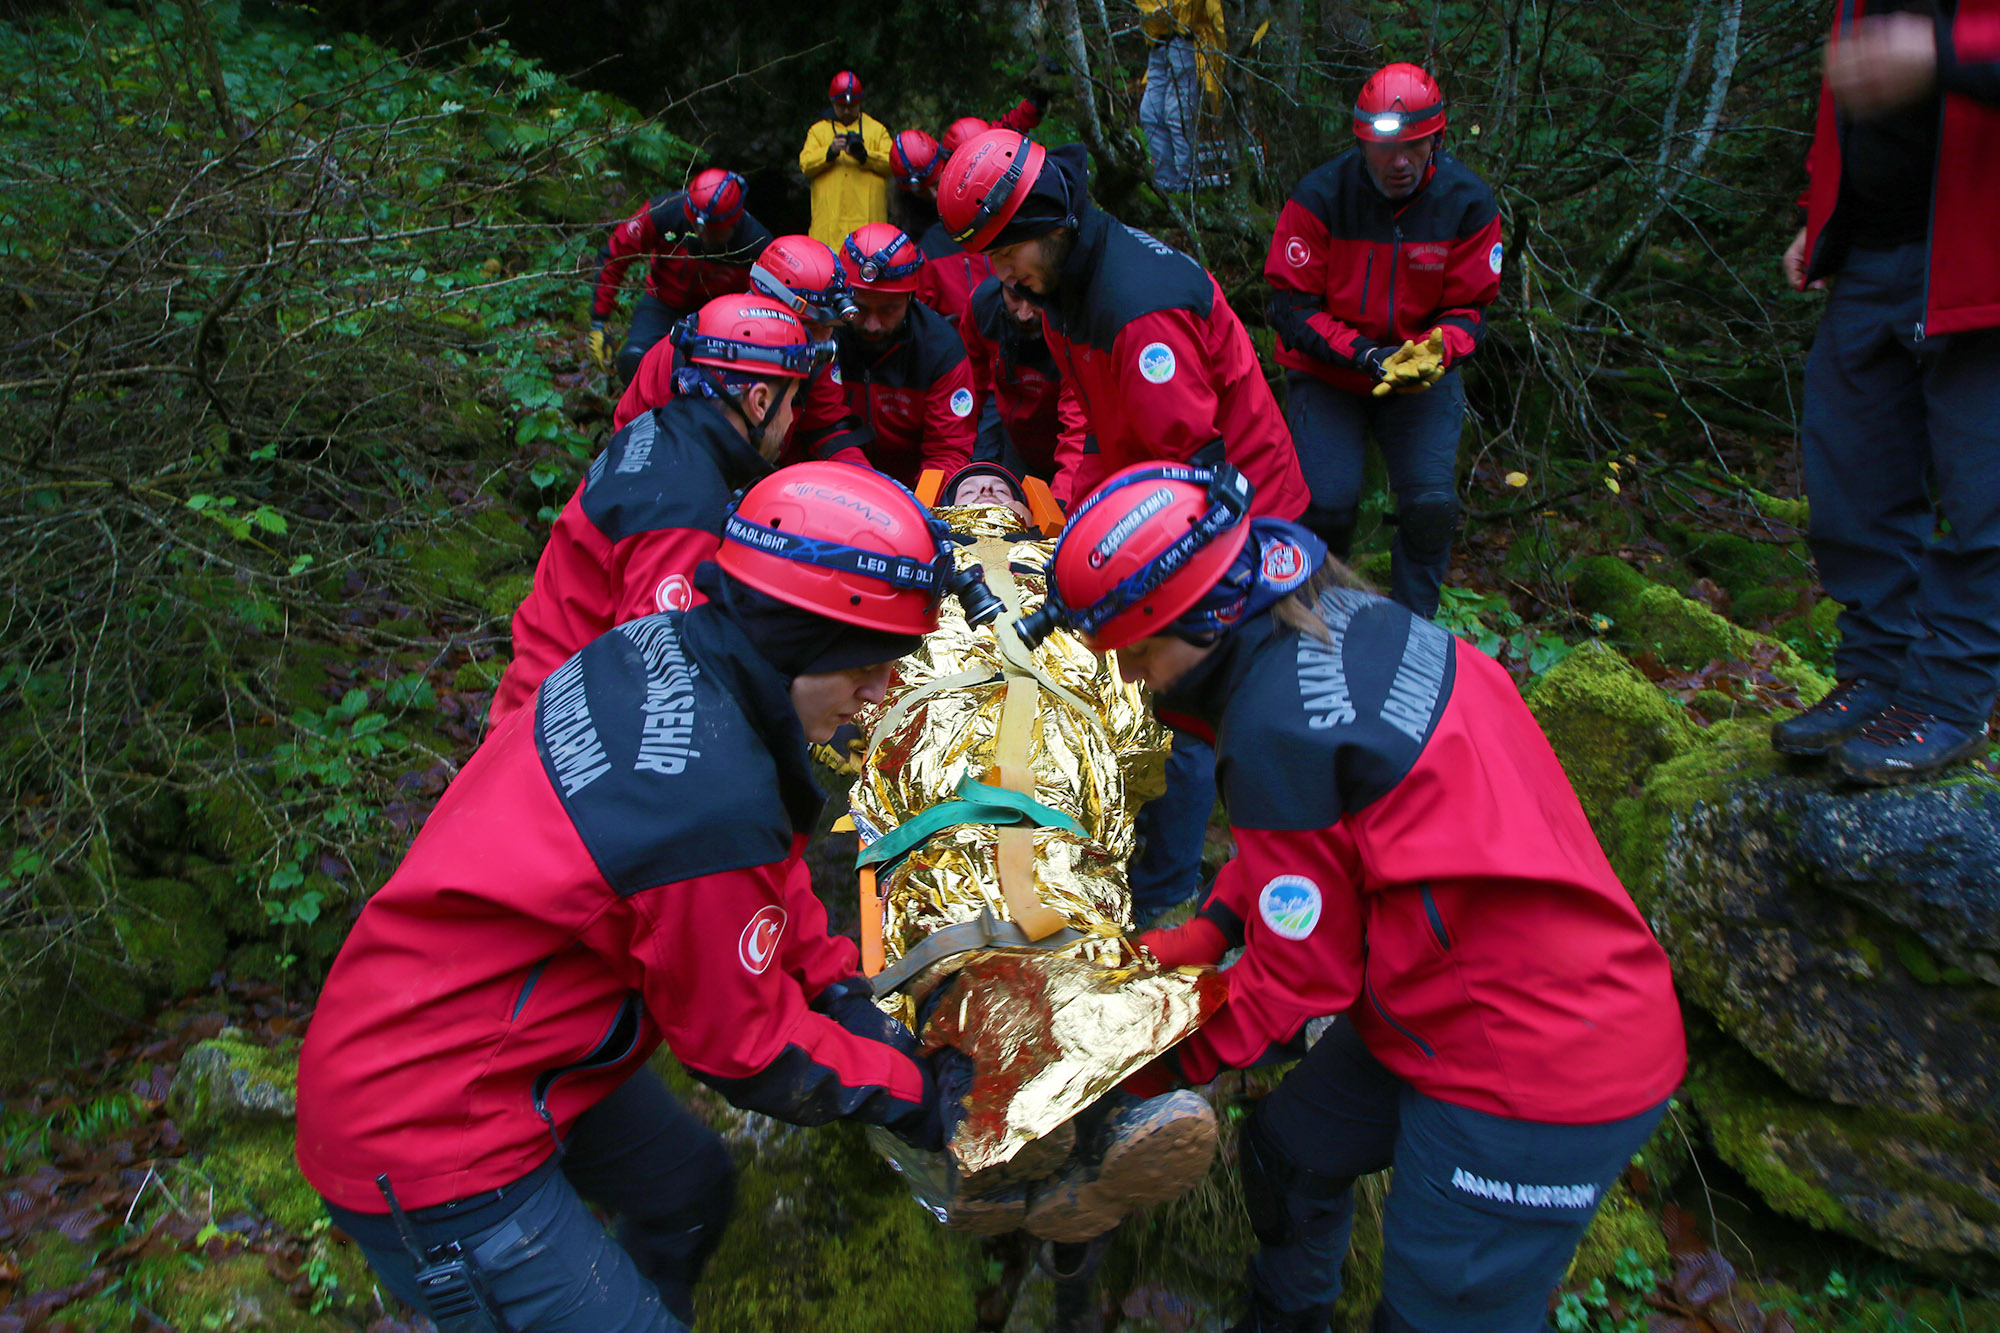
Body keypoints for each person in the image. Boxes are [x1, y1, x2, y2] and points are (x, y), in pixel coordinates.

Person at [296, 462, 982, 1332]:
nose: (879, 695)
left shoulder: (661, 652)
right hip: (430, 1126)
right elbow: (750, 1049)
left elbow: (758, 874)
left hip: (461, 1022)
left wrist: (840, 989)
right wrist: (918, 1096)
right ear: (796, 640)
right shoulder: (704, 797)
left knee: (688, 1190)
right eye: (868, 668)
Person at [1017, 460, 1686, 1333]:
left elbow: (1295, 984)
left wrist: (1128, 1073)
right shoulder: (1347, 616)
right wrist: (1206, 930)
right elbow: (1313, 846)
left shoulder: (1274, 724)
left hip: (1536, 1059)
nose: (1137, 682)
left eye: (1139, 655)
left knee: (1436, 1316)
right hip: (1450, 994)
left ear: (1206, 615)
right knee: (1291, 1152)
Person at [938, 126, 1310, 925]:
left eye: (1005, 251)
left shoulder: (1138, 308)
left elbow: (1191, 475)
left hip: (1233, 513)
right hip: (1171, 496)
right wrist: (1070, 527)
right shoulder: (1068, 291)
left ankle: (1178, 888)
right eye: (986, 255)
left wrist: (1120, 579)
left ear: (1050, 221)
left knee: (1189, 696)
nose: (999, 272)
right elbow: (1104, 429)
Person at [1769, 0, 2000, 783]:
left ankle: (1948, 699)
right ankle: (1874, 674)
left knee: (1982, 496)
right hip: (1870, 256)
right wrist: (1819, 216)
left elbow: (1922, 56)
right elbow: (1849, 106)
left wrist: (1941, 51)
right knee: (1850, 477)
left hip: (1982, 256)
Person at [487, 295, 834, 731]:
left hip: (544, 691)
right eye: (792, 399)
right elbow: (657, 681)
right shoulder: (684, 505)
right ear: (759, 401)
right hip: (559, 735)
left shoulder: (657, 430)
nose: (790, 418)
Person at [1263, 62, 1501, 620]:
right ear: (1361, 143)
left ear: (1436, 140)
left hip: (1419, 379)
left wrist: (1440, 348)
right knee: (1325, 500)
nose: (1398, 163)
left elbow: (1472, 306)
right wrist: (1364, 355)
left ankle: (1416, 627)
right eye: (1382, 148)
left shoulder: (1465, 202)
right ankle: (1314, 615)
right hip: (1331, 375)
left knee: (1431, 505)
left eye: (1414, 147)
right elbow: (1290, 307)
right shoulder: (1321, 197)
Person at [610, 232, 858, 449]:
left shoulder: (815, 353)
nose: (821, 342)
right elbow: (640, 446)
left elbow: (826, 429)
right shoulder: (693, 352)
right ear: (767, 308)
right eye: (810, 327)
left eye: (831, 328)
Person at [810, 222, 976, 485]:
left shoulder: (941, 350)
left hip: (915, 489)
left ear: (911, 297)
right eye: (859, 309)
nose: (872, 325)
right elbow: (824, 427)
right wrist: (867, 488)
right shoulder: (825, 336)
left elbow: (947, 450)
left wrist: (920, 506)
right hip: (837, 480)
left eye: (888, 310)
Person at [589, 167, 773, 385]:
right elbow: (616, 255)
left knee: (712, 383)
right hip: (662, 303)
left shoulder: (756, 245)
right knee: (635, 361)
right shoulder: (664, 213)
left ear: (731, 223)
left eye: (712, 232)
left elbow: (772, 302)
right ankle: (645, 415)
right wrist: (599, 321)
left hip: (718, 318)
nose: (702, 235)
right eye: (696, 227)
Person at [960, 274, 1062, 481]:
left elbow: (1081, 430)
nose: (1024, 314)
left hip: (1066, 442)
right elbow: (970, 390)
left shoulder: (1079, 319)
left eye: (1036, 298)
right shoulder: (983, 305)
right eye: (1014, 297)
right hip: (1015, 439)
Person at [891, 128, 992, 330]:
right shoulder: (919, 242)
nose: (933, 195)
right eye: (922, 190)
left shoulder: (982, 205)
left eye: (936, 183)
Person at [1136, 0, 1224, 193]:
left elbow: (1203, 11)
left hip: (1185, 43)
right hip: (1158, 44)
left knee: (1177, 114)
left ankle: (1187, 186)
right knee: (1150, 114)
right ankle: (1165, 182)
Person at [799, 70, 893, 248]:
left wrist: (866, 156)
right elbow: (805, 164)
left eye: (853, 105)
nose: (847, 111)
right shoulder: (818, 131)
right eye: (841, 106)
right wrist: (830, 152)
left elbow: (893, 164)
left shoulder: (876, 130)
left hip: (869, 232)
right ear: (833, 103)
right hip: (828, 231)